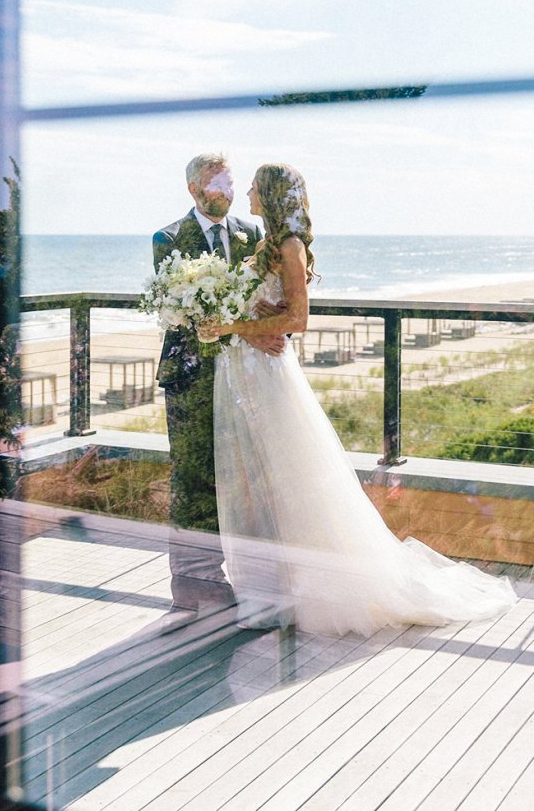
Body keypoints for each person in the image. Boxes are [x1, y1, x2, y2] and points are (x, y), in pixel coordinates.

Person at [201, 163, 517, 634]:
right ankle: (271, 590)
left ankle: (315, 590)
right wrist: (248, 319)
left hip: (269, 374)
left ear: (269, 194)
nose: (246, 191)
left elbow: (299, 319)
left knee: (293, 479)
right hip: (246, 370)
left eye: (253, 186)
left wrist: (234, 326)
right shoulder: (264, 245)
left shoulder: (289, 246)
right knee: (260, 481)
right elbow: (275, 309)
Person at [152, 153, 285, 633]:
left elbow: (266, 301)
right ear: (193, 189)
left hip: (243, 376)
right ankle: (196, 585)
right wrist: (249, 331)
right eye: (216, 182)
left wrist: (268, 326)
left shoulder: (254, 236)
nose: (227, 190)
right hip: (190, 376)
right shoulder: (167, 239)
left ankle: (257, 582)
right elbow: (184, 314)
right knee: (192, 479)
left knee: (248, 477)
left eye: (230, 181)